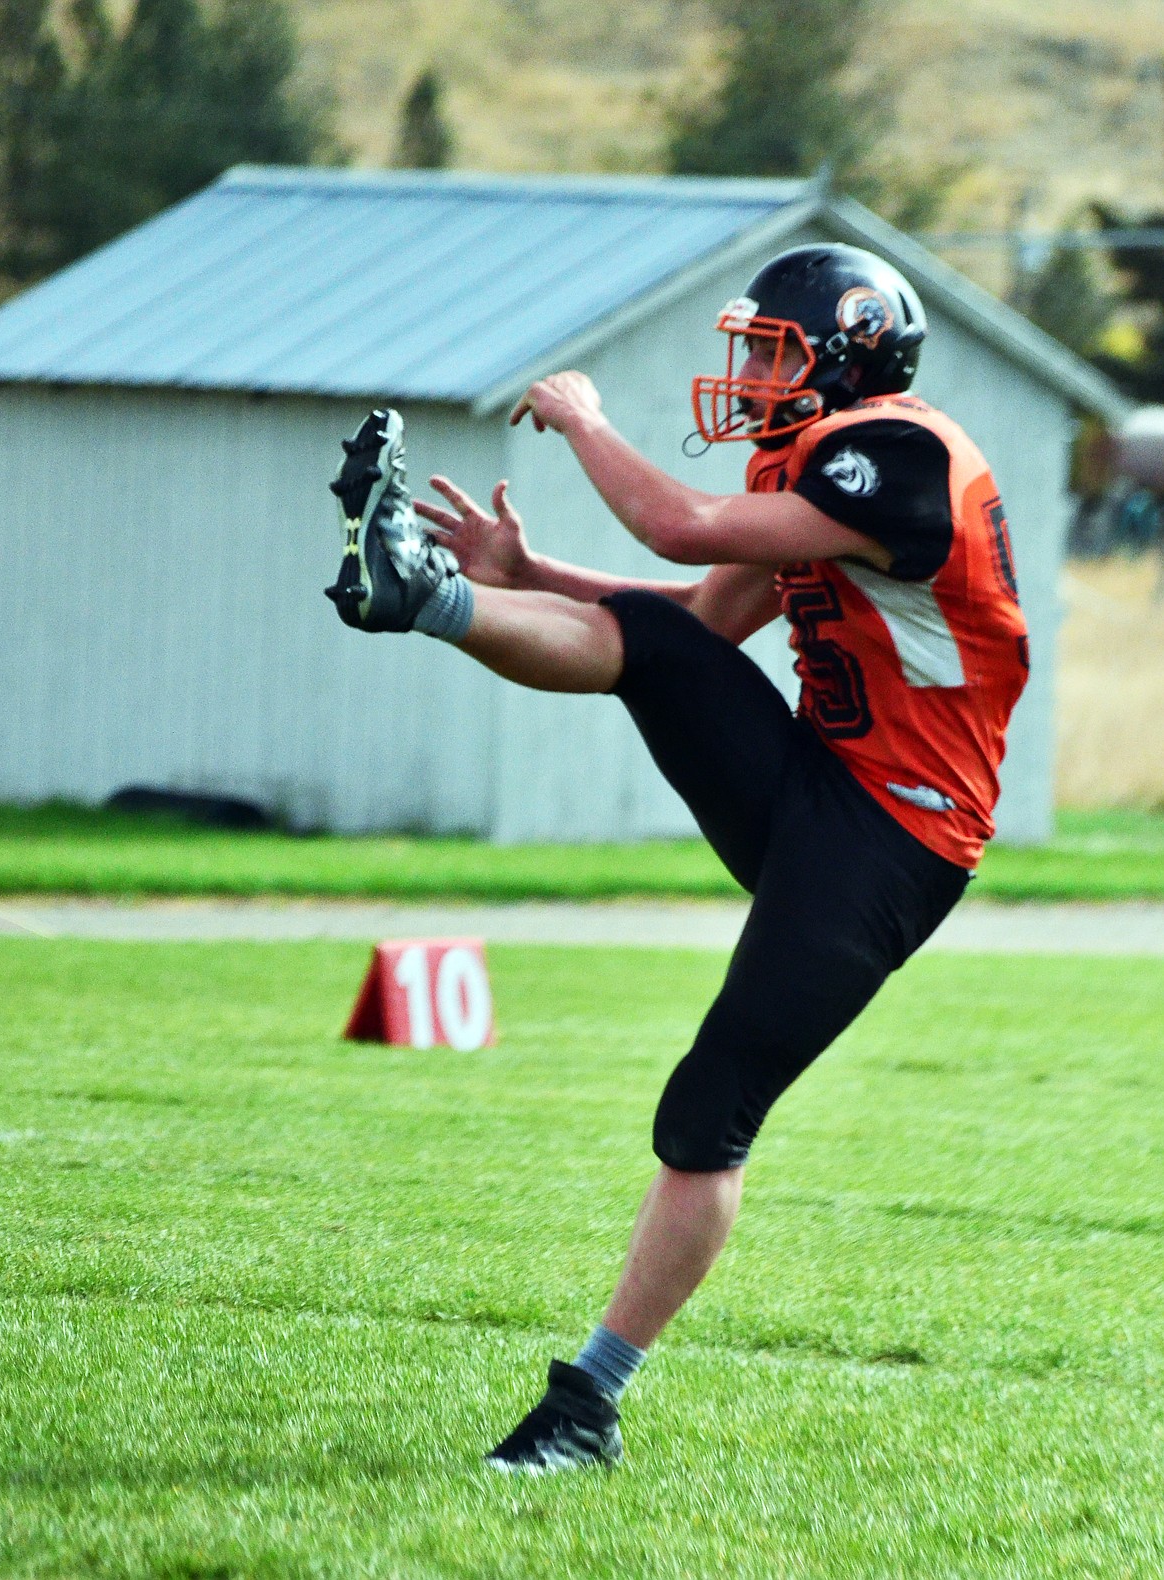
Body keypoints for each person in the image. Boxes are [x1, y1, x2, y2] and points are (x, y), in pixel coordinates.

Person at [324, 243, 1030, 1473]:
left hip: (896, 837)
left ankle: (588, 1403)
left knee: (709, 1108)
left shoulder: (904, 457)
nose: (751, 373)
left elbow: (677, 517)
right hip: (821, 789)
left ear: (850, 355)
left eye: (774, 351)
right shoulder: (814, 472)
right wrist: (527, 574)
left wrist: (586, 420)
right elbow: (692, 615)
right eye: (750, 349)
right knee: (651, 638)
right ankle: (425, 597)